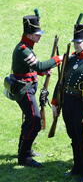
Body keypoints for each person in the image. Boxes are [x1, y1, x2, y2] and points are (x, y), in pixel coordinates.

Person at [9, 12, 62, 167]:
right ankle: (24, 157)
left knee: (29, 120)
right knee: (35, 121)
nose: (39, 36)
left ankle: (24, 149)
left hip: (27, 88)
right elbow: (38, 65)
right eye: (37, 34)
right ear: (30, 35)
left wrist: (41, 72)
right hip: (24, 90)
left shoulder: (27, 47)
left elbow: (31, 67)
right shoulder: (24, 49)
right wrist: (56, 59)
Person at [51, 22, 83, 182]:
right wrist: (55, 101)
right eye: (75, 42)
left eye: (78, 43)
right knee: (73, 135)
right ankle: (77, 166)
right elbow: (61, 81)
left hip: (81, 105)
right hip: (68, 103)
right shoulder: (71, 59)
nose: (76, 45)